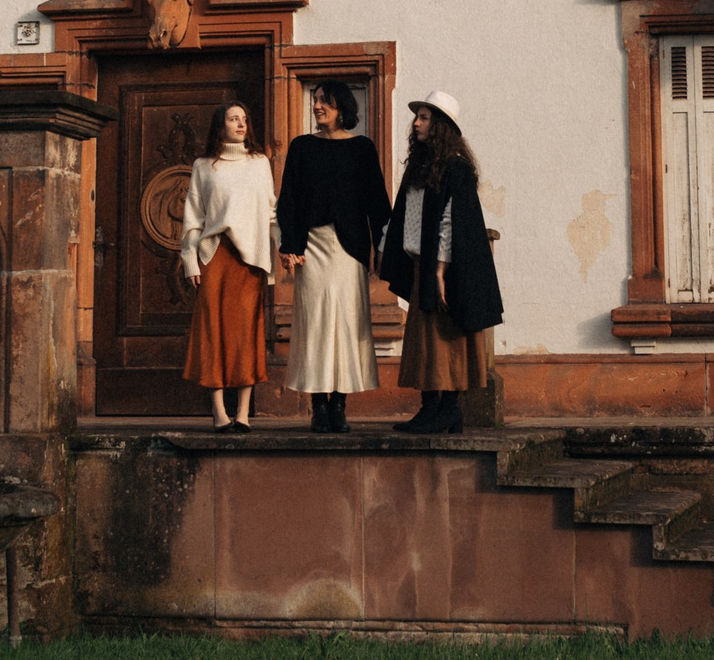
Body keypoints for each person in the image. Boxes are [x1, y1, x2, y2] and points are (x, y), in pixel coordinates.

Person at [377, 90, 502, 435]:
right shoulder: (419, 167)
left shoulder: (456, 169)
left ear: (441, 126)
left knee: (444, 341)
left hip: (444, 268)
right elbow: (405, 214)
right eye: (417, 116)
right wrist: (389, 249)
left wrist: (440, 270)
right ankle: (432, 410)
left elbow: (450, 220)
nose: (416, 123)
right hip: (423, 265)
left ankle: (447, 411)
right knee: (424, 342)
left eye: (424, 117)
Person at [275, 82, 388, 432]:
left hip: (349, 249)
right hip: (311, 248)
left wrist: (384, 248)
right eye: (316, 100)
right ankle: (317, 405)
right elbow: (288, 200)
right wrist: (289, 246)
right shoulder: (302, 147)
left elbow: (377, 202)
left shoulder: (362, 149)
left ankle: (339, 405)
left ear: (342, 106)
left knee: (346, 323)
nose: (318, 106)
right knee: (315, 325)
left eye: (325, 101)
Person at [178, 100, 277, 431]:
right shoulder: (204, 166)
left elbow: (270, 210)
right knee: (213, 330)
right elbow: (193, 216)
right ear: (220, 126)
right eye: (233, 119)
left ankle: (244, 412)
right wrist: (190, 259)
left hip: (248, 260)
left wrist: (282, 249)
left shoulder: (259, 162)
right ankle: (219, 411)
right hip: (214, 256)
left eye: (244, 119)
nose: (241, 124)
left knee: (245, 332)